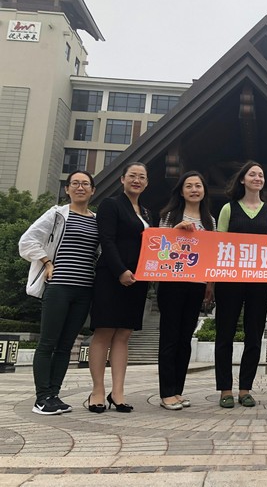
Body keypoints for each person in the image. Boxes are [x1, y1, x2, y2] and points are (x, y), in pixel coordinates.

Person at [19, 170, 99, 415]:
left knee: (66, 345)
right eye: (75, 183)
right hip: (59, 287)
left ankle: (54, 394)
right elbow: (27, 240)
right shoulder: (56, 215)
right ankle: (42, 398)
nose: (80, 187)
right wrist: (46, 261)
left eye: (85, 184)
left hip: (84, 290)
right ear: (67, 189)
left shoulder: (97, 220)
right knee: (48, 343)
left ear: (93, 190)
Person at [215, 161, 267, 408]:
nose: (257, 178)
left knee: (254, 335)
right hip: (229, 280)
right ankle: (225, 389)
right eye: (252, 174)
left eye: (261, 175)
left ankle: (245, 389)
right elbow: (218, 246)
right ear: (242, 179)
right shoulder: (228, 209)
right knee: (225, 334)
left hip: (260, 280)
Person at [89, 162, 152, 413]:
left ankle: (118, 392)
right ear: (122, 179)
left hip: (138, 279)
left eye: (142, 177)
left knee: (124, 334)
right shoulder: (111, 204)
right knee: (104, 332)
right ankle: (97, 391)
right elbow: (107, 239)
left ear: (147, 183)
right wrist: (120, 271)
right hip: (112, 276)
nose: (137, 180)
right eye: (132, 176)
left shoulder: (147, 212)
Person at [157, 171, 215, 410]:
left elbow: (211, 253)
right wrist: (175, 232)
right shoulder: (169, 216)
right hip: (171, 283)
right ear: (181, 191)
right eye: (189, 186)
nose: (194, 189)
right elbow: (159, 248)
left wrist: (210, 284)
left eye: (198, 186)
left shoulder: (209, 220)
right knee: (170, 337)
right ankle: (166, 392)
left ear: (204, 191)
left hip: (197, 284)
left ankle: (178, 390)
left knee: (185, 338)